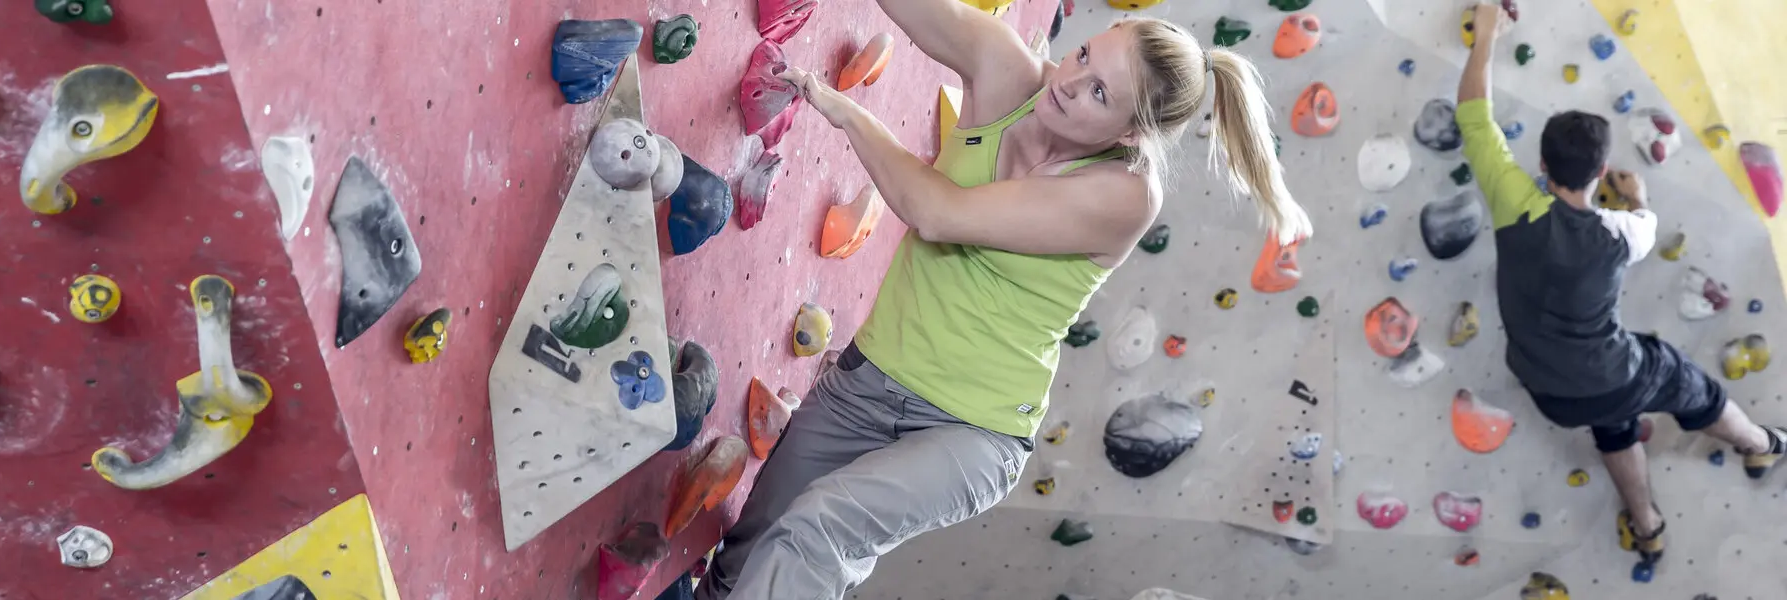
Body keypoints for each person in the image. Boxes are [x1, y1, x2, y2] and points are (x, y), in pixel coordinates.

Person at [692, 1, 1310, 597]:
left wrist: (845, 111)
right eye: (1085, 56)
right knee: (743, 560)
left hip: (971, 430)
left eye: (1100, 93)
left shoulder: (1123, 195)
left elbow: (936, 213)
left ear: (1131, 133)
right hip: (869, 382)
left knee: (820, 529)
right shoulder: (1009, 70)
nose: (1071, 82)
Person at [1455, 3, 1785, 569]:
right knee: (1695, 391)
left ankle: (1647, 525)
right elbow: (1645, 225)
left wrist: (1486, 34)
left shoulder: (1513, 201)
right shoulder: (1624, 230)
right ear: (1603, 169)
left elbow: (1474, 117)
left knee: (1613, 418)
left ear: (1541, 162)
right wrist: (1638, 199)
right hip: (1609, 372)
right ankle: (1762, 446)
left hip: (1546, 385)